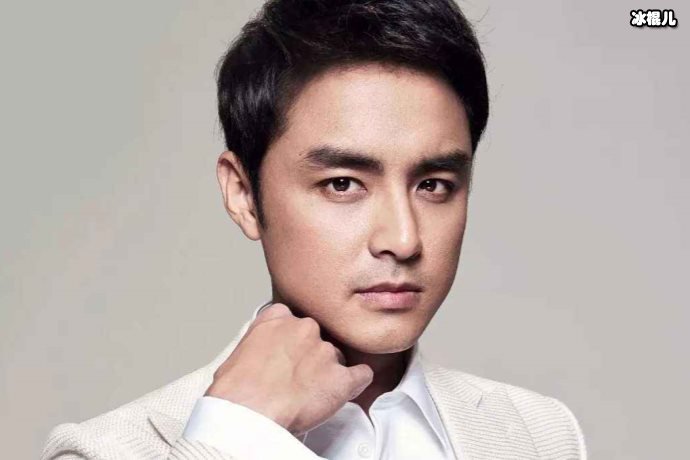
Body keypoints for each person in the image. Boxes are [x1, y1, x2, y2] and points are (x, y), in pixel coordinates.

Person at [41, 0, 586, 458]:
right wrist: (232, 433)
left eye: (434, 184)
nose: (403, 239)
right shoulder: (105, 451)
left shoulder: (540, 435)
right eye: (343, 184)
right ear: (243, 194)